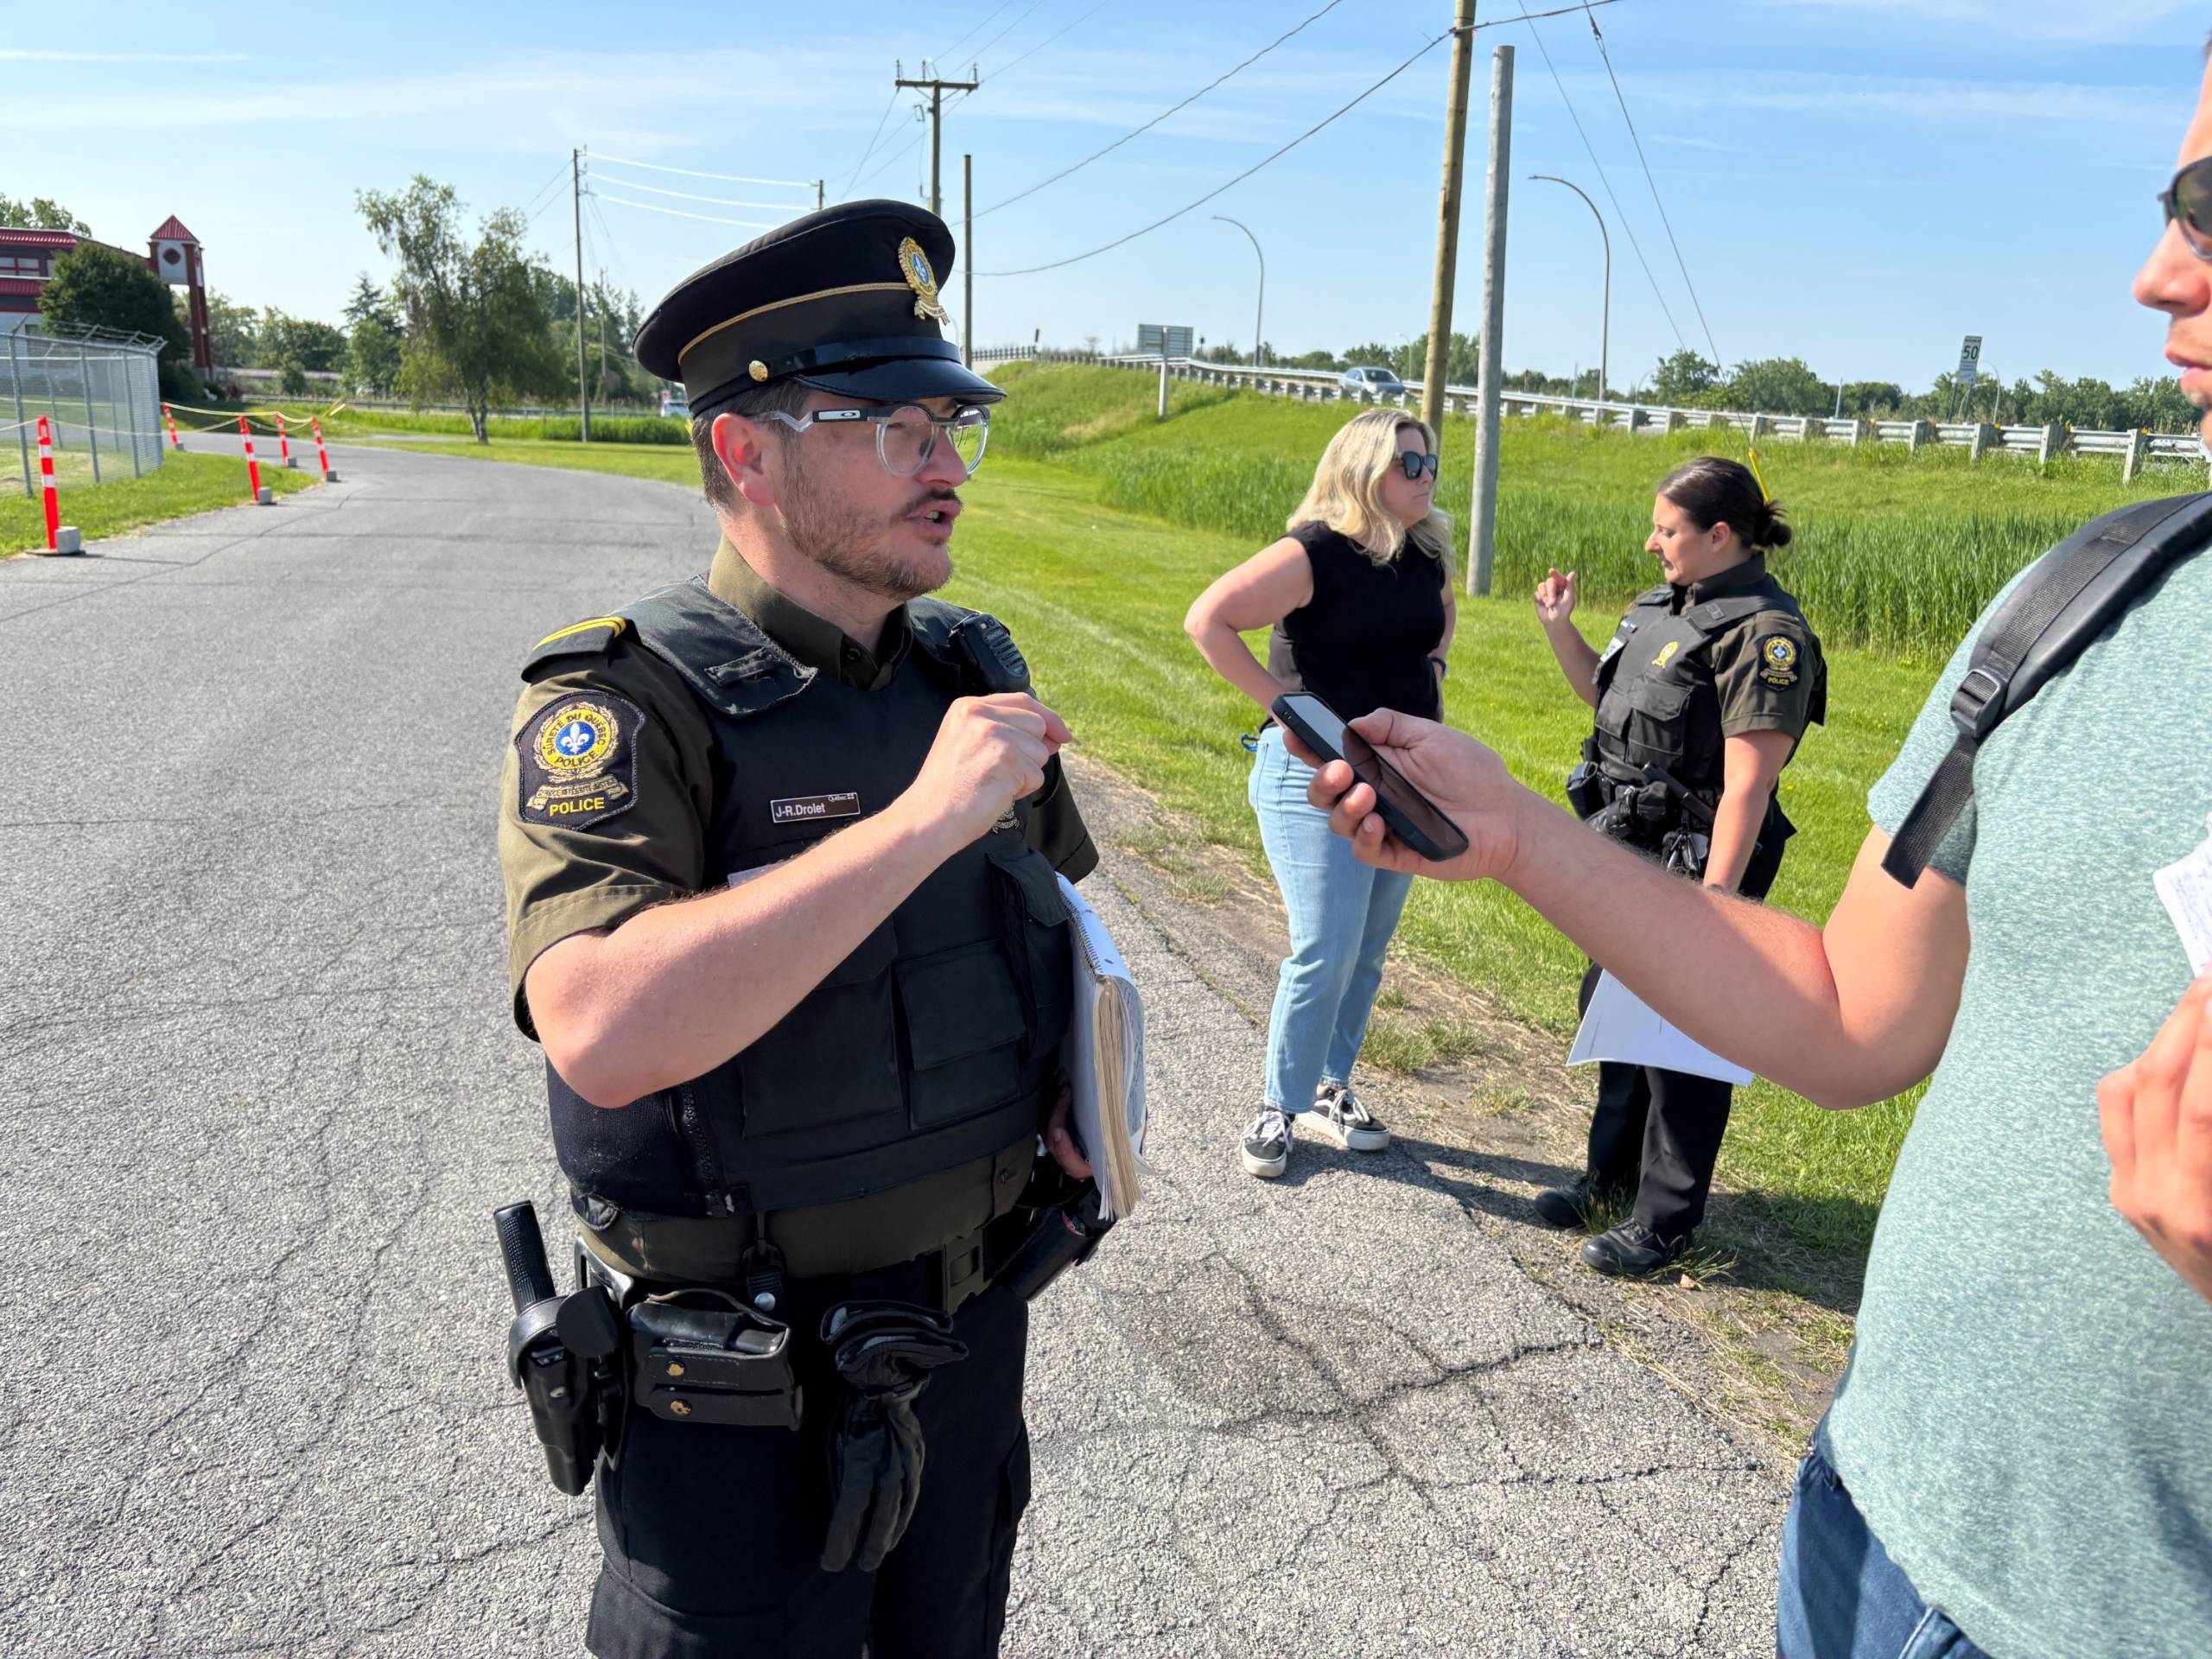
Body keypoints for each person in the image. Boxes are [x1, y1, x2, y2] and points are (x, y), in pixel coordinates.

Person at [1293, 52, 2212, 1652]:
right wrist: (1516, 837)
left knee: (1676, 1101)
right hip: (1874, 1513)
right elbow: (1853, 1009)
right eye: (2174, 206)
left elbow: (1748, 768)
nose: (2155, 274)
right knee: (1627, 1061)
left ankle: (1663, 1212)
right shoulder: (2088, 603)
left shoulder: (1765, 632)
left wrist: (1709, 873)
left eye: (2207, 210)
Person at [496, 200, 1100, 1658]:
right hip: (735, 1401)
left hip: (965, 1342)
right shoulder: (625, 704)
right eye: (893, 427)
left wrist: (1081, 1091)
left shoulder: (970, 673)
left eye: (952, 427)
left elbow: (1056, 922)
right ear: (744, 450)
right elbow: (602, 1028)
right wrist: (916, 821)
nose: (946, 466)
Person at [1529, 457, 1826, 1275]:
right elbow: (1611, 703)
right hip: (1628, 850)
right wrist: (1560, 626)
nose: (1651, 542)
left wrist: (1716, 905)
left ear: (1719, 534)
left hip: (1699, 864)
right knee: (1618, 1016)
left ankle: (1664, 1224)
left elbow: (1749, 785)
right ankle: (1607, 1182)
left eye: (1667, 529)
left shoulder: (1764, 636)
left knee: (1683, 1044)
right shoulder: (1663, 607)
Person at [1183, 409, 1455, 1179]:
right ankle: (1281, 1102)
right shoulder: (1314, 553)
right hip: (1313, 775)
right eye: (1409, 463)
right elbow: (1207, 621)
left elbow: (1439, 619)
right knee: (1326, 948)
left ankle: (1332, 1085)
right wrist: (1285, 707)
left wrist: (1433, 675)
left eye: (1430, 462)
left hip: (1399, 777)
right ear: (1364, 470)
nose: (1426, 476)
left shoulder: (1425, 550)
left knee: (1365, 950)